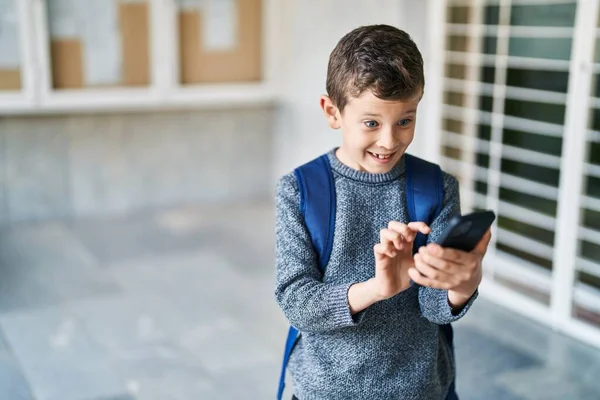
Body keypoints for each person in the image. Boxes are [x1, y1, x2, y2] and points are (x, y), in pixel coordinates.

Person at [274, 24, 491, 400]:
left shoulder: (437, 188)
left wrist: (462, 284)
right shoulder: (299, 190)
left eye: (405, 120)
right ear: (332, 111)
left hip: (419, 390)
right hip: (325, 392)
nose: (390, 141)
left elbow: (435, 308)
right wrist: (377, 289)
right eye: (371, 123)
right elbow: (296, 302)